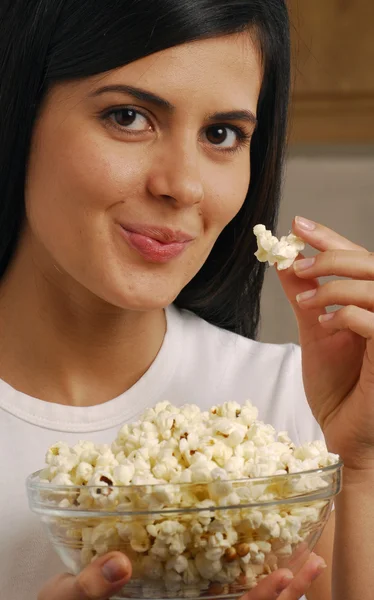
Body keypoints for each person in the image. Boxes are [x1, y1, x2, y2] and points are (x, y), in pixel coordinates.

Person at [1, 0, 373, 599]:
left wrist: (360, 470)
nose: (182, 185)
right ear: (18, 107)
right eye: (128, 116)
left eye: (222, 134)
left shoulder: (309, 414)